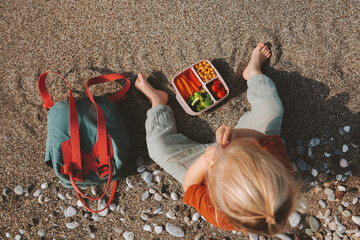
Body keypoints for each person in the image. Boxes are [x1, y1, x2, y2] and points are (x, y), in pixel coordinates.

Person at [135, 42, 298, 236]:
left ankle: (158, 102)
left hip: (201, 170)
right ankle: (253, 72)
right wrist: (236, 136)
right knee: (271, 109)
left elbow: (190, 184)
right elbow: (262, 138)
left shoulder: (219, 214)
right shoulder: (278, 166)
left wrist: (206, 161)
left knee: (157, 148)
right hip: (240, 142)